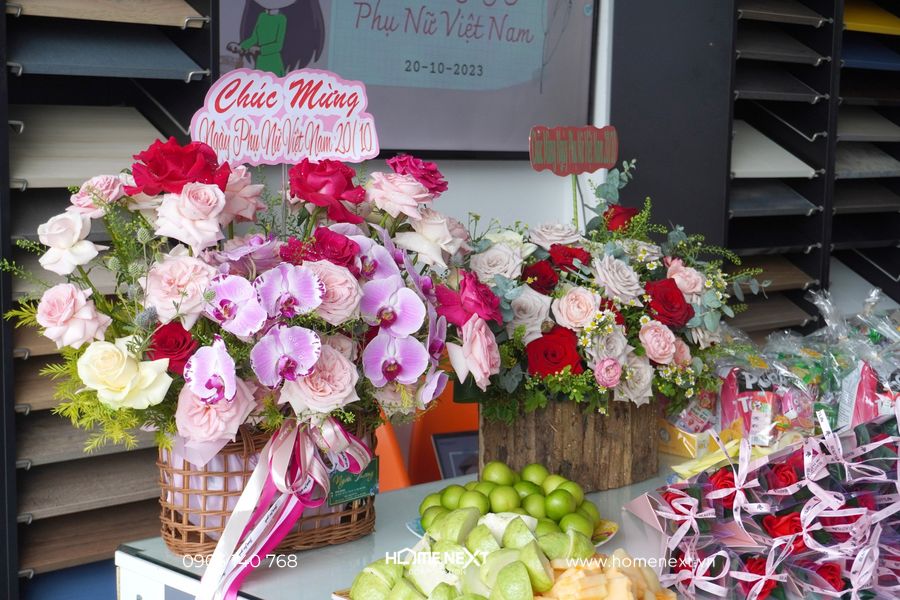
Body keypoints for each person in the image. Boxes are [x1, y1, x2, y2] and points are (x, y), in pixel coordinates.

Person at [234, 0, 325, 76]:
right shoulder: (262, 16)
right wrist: (241, 46)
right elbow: (254, 38)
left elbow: (278, 45)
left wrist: (260, 50)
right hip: (261, 61)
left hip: (274, 62)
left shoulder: (281, 19)